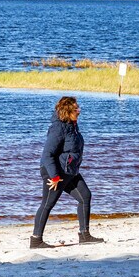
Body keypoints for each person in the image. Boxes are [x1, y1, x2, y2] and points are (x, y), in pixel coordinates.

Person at [30, 96, 104, 248]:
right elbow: (47, 155)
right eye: (77, 109)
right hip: (55, 172)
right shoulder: (59, 128)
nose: (79, 111)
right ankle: (36, 240)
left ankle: (84, 235)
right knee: (48, 204)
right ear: (68, 110)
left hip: (70, 170)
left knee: (85, 197)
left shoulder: (72, 126)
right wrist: (55, 176)